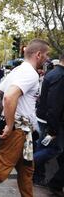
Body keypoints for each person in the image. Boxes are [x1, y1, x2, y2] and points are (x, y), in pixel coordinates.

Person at [0, 39, 50, 197]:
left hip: (23, 132)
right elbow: (9, 97)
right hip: (18, 131)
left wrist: (4, 116)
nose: (47, 58)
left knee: (26, 171)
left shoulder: (18, 70)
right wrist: (10, 124)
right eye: (46, 55)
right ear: (38, 54)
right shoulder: (30, 74)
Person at [33, 53, 64, 194]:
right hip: (50, 120)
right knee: (55, 149)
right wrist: (53, 128)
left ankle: (37, 175)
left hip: (45, 118)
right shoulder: (60, 76)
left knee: (43, 146)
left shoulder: (54, 73)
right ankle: (27, 165)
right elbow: (54, 105)